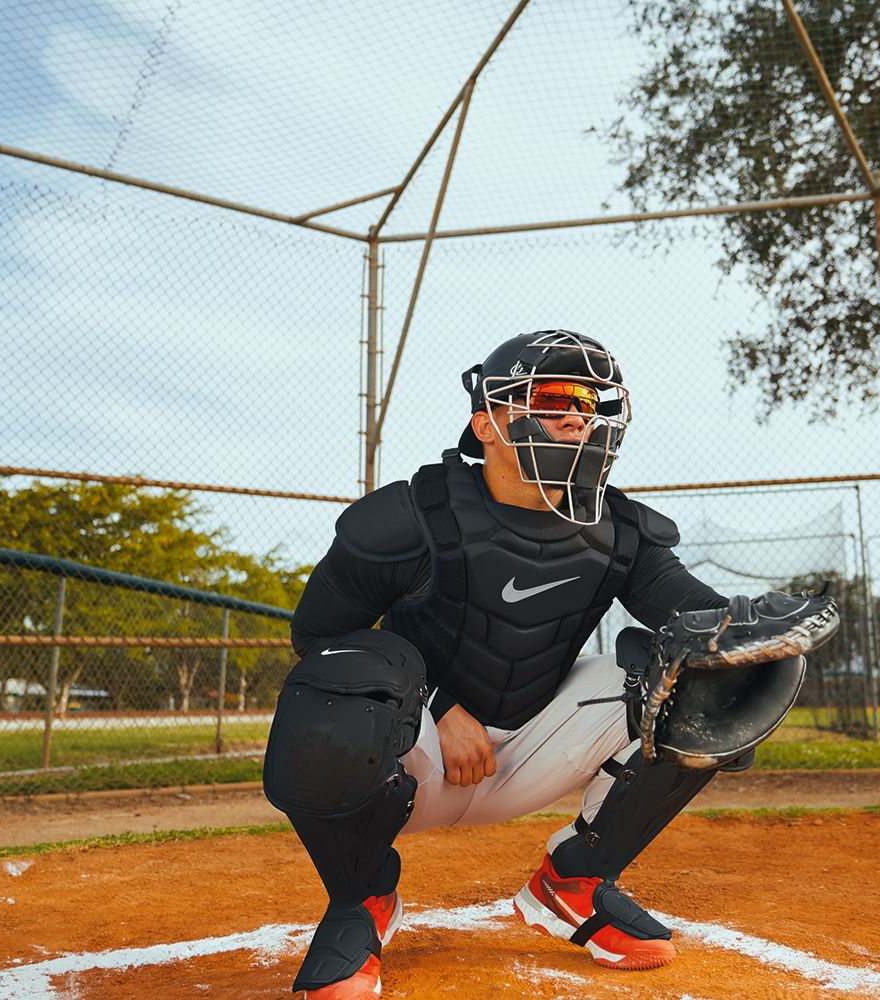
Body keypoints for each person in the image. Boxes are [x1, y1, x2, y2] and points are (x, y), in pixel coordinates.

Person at [263, 330, 799, 999]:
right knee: (332, 683)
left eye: (590, 402)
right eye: (551, 399)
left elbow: (696, 618)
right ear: (487, 422)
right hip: (415, 756)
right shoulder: (415, 516)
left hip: (536, 750)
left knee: (698, 678)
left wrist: (754, 633)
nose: (578, 415)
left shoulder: (620, 528)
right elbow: (318, 631)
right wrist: (442, 706)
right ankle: (361, 897)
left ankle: (574, 880)